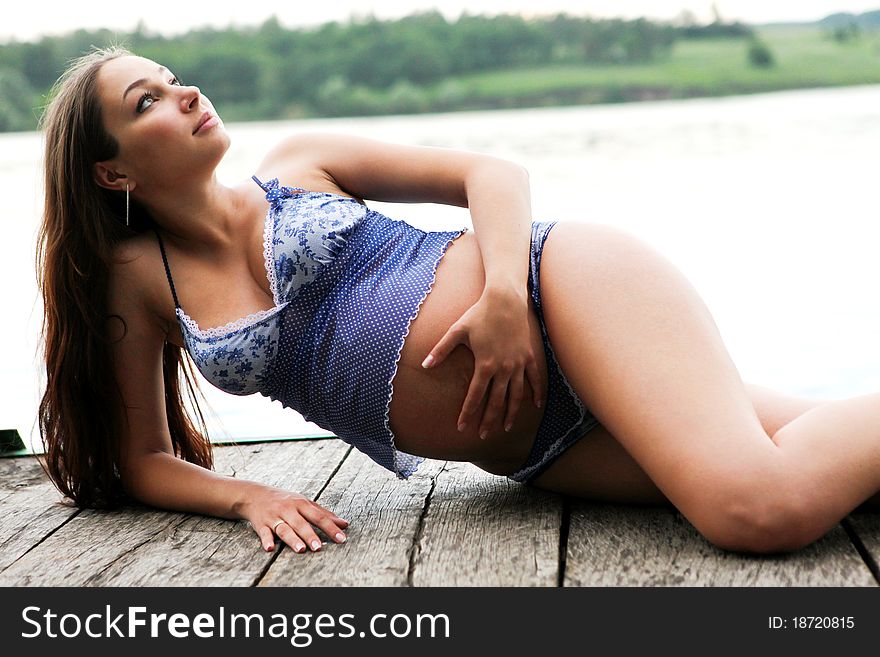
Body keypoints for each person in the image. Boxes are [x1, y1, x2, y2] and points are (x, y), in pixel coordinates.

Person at [36, 46, 879, 560]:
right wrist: (250, 496)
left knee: (755, 509)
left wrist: (507, 298)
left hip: (563, 293)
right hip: (542, 446)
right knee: (832, 465)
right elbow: (142, 455)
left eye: (173, 78)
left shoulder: (299, 164)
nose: (184, 94)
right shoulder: (140, 281)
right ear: (112, 172)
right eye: (145, 101)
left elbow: (492, 174)